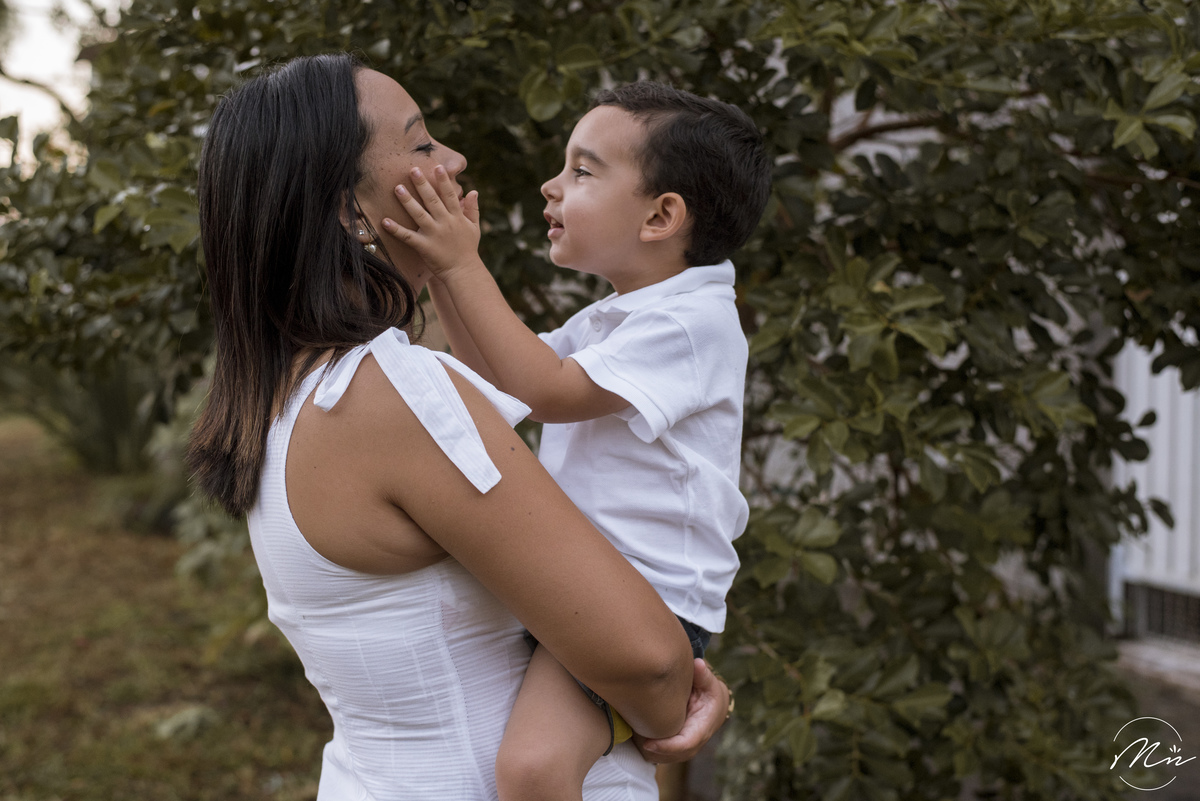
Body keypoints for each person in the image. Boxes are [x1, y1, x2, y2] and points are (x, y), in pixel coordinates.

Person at [186, 54, 731, 801]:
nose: (454, 160)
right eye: (420, 145)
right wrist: (681, 688)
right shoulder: (398, 394)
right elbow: (650, 665)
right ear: (351, 211)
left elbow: (524, 380)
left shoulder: (286, 396)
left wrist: (449, 271)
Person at [382, 81, 771, 800]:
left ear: (661, 215)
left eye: (583, 171)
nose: (551, 186)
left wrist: (466, 267)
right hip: (588, 586)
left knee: (532, 768)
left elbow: (547, 392)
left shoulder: (693, 321)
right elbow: (499, 381)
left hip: (645, 603)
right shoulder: (623, 314)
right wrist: (443, 273)